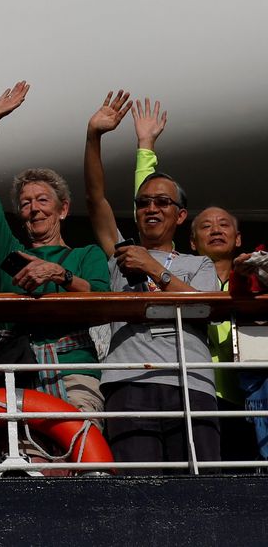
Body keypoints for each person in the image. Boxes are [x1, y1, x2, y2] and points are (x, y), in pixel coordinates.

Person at [85, 90, 219, 473]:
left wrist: (154, 269)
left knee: (202, 490)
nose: (151, 208)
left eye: (162, 203)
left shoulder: (198, 263)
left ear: (180, 215)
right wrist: (93, 136)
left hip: (190, 382)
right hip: (129, 383)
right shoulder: (120, 251)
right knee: (140, 493)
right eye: (143, 203)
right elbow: (95, 200)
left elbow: (207, 305)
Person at [0, 81, 110, 420]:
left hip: (75, 372)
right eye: (25, 203)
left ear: (63, 209)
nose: (33, 208)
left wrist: (59, 274)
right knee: (28, 464)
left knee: (80, 454)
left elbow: (102, 301)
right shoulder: (11, 253)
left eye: (42, 200)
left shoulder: (86, 255)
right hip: (18, 372)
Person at [131, 99, 256, 461]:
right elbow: (150, 201)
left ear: (238, 238)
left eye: (224, 226)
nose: (215, 230)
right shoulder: (185, 270)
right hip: (194, 389)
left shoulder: (252, 278)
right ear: (191, 239)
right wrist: (145, 148)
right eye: (206, 225)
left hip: (243, 396)